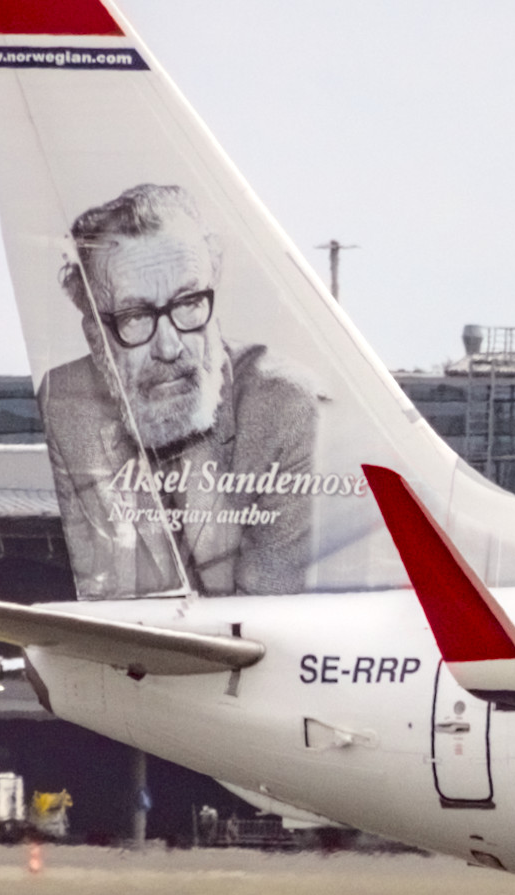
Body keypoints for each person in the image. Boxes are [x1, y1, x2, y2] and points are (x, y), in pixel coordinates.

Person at [39, 183, 327, 598]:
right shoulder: (67, 406)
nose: (170, 347)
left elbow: (268, 611)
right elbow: (104, 594)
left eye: (189, 302)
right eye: (135, 316)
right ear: (95, 335)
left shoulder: (286, 405)